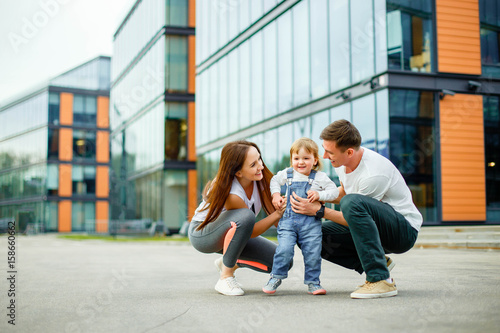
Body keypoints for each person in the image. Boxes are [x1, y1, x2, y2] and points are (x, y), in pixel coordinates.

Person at [290, 120, 422, 299]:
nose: (325, 156)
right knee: (309, 235)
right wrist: (314, 197)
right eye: (324, 149)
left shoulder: (373, 174)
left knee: (352, 203)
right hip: (374, 225)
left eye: (330, 152)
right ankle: (379, 263)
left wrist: (318, 211)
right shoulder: (343, 163)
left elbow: (352, 212)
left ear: (349, 152)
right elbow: (344, 192)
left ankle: (381, 280)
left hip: (402, 231)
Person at [188, 140, 287, 296]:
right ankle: (225, 277)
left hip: (234, 232)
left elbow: (276, 219)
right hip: (203, 234)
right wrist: (278, 214)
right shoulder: (232, 193)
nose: (260, 166)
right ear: (238, 172)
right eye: (253, 164)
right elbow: (251, 230)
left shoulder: (261, 180)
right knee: (246, 216)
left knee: (282, 261)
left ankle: (228, 262)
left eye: (259, 159)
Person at [263, 138, 339, 295]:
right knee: (284, 249)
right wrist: (276, 195)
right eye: (296, 158)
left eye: (306, 158)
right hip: (288, 223)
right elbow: (274, 181)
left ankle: (313, 282)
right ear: (292, 160)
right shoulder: (288, 174)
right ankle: (275, 277)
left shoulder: (319, 177)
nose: (301, 162)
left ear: (315, 160)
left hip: (311, 224)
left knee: (313, 253)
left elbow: (334, 192)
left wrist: (319, 194)